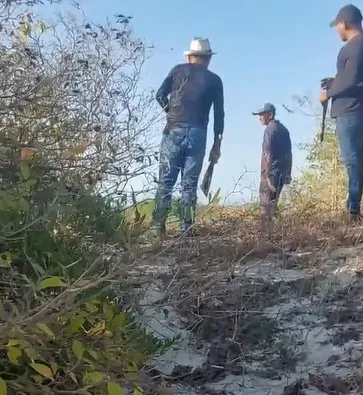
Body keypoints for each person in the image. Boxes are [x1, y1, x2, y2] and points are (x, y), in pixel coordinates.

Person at [152, 38, 225, 235]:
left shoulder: (177, 70)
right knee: (189, 185)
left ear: (190, 56)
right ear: (208, 58)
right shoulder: (215, 80)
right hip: (198, 135)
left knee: (166, 182)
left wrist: (171, 113)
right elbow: (219, 116)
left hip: (173, 131)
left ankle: (158, 227)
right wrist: (217, 146)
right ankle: (186, 230)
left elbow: (159, 95)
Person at [319, 4, 363, 222]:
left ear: (344, 24)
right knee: (355, 159)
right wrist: (334, 81)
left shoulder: (355, 46)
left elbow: (352, 79)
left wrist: (328, 94)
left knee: (352, 159)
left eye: (337, 25)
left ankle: (353, 210)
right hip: (355, 108)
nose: (337, 30)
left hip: (351, 110)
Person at [252, 103, 292, 223]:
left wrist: (267, 176)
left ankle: (266, 235)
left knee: (265, 207)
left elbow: (267, 154)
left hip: (271, 173)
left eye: (261, 114)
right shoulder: (284, 129)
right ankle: (276, 234)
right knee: (273, 206)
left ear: (270, 115)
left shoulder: (269, 130)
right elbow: (289, 154)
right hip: (281, 172)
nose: (259, 117)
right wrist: (288, 174)